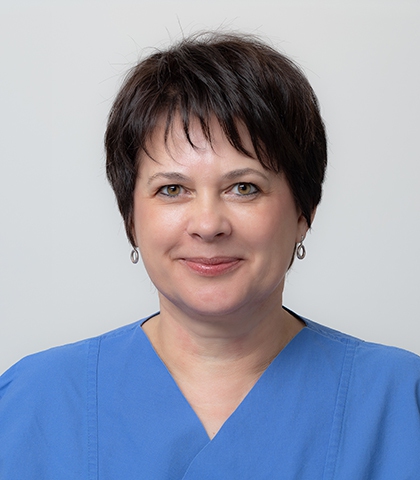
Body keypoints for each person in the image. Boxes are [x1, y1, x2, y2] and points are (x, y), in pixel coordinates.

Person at [1, 31, 419, 479]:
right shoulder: (31, 403)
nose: (207, 224)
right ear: (130, 217)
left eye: (244, 187)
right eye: (172, 189)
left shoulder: (400, 402)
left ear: (304, 212)